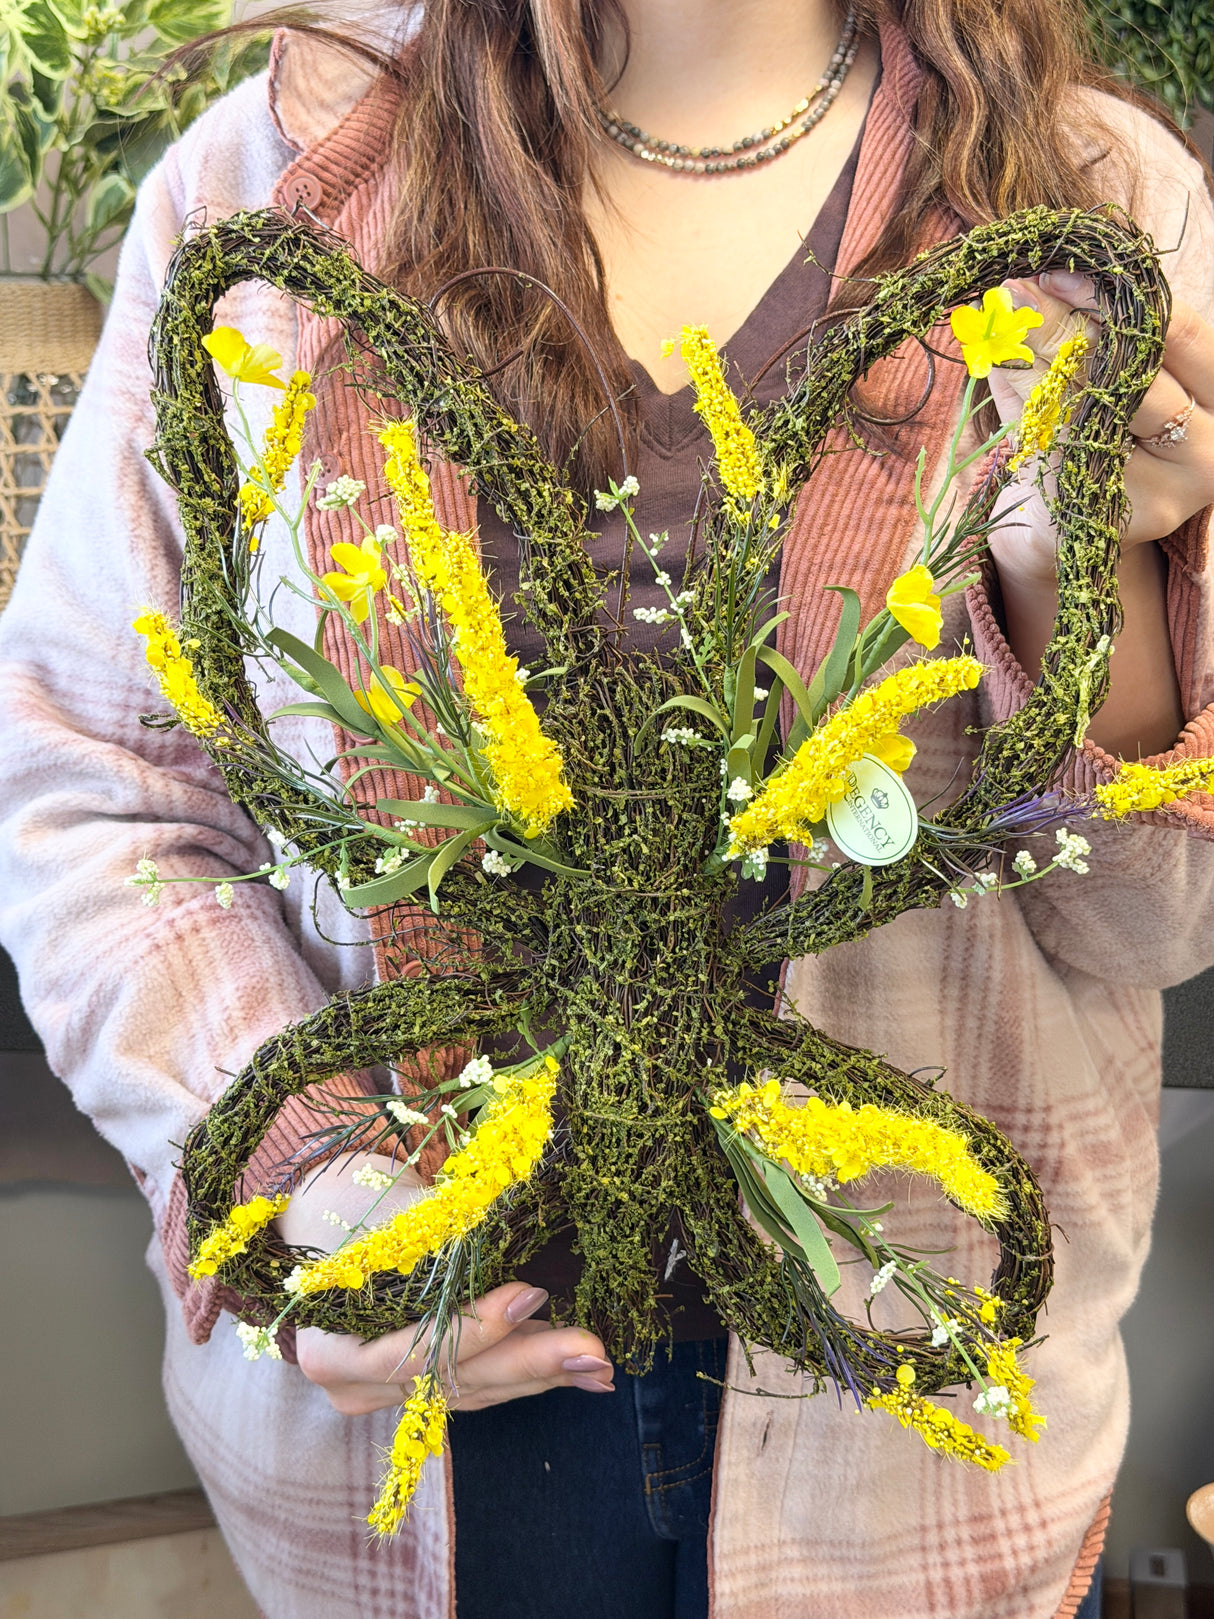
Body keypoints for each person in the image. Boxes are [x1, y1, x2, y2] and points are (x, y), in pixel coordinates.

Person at [1, 2, 1213, 1616]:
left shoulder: (1092, 196)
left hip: (907, 1450)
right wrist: (315, 1184)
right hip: (413, 1437)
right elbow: (101, 791)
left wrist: (1077, 576)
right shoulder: (267, 181)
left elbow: (1153, 929)